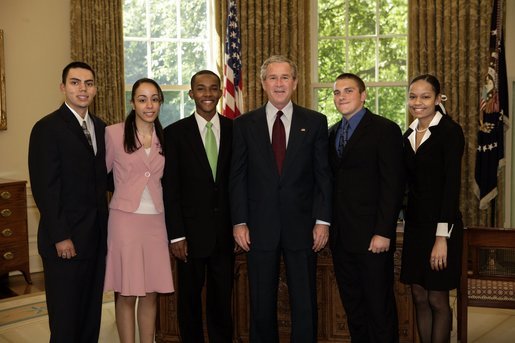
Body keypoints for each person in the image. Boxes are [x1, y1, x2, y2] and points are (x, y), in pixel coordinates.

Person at [230, 55, 332, 343]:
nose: (279, 83)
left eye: (285, 77)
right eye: (272, 77)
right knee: (260, 304)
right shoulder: (244, 124)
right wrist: (239, 222)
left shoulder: (314, 122)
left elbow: (323, 176)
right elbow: (237, 177)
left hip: (303, 228)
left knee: (304, 302)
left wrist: (323, 221)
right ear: (263, 83)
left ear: (295, 82)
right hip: (259, 229)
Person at [28, 61, 108, 342]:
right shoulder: (47, 128)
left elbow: (105, 181)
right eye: (75, 82)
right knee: (65, 321)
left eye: (88, 83)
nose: (82, 88)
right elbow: (45, 189)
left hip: (96, 240)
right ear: (63, 87)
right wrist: (61, 236)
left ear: (95, 89)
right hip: (66, 243)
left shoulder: (101, 128)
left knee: (90, 317)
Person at [328, 73, 405, 343]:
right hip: (341, 239)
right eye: (337, 92)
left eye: (348, 91)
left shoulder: (385, 130)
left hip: (374, 238)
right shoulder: (332, 133)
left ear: (363, 95)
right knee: (354, 307)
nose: (341, 97)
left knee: (378, 307)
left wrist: (384, 231)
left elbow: (392, 186)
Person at [162, 70, 234, 342]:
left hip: (225, 234)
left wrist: (240, 224)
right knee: (189, 301)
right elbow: (171, 189)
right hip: (189, 236)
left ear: (220, 92)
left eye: (213, 88)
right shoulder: (175, 134)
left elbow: (238, 183)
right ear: (191, 94)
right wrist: (176, 234)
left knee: (222, 302)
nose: (207, 94)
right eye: (201, 89)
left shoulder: (234, 130)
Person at [103, 78, 174, 343]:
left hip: (156, 222)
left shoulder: (165, 138)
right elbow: (100, 176)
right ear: (132, 102)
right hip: (125, 222)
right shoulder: (113, 133)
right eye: (142, 99)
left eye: (154, 99)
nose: (149, 105)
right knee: (128, 292)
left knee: (151, 291)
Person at [400, 74, 464, 343]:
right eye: (413, 96)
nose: (418, 102)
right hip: (415, 228)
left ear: (438, 99)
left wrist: (441, 237)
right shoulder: (408, 134)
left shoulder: (449, 132)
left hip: (442, 228)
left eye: (425, 97)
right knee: (418, 295)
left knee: (437, 298)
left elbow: (451, 188)